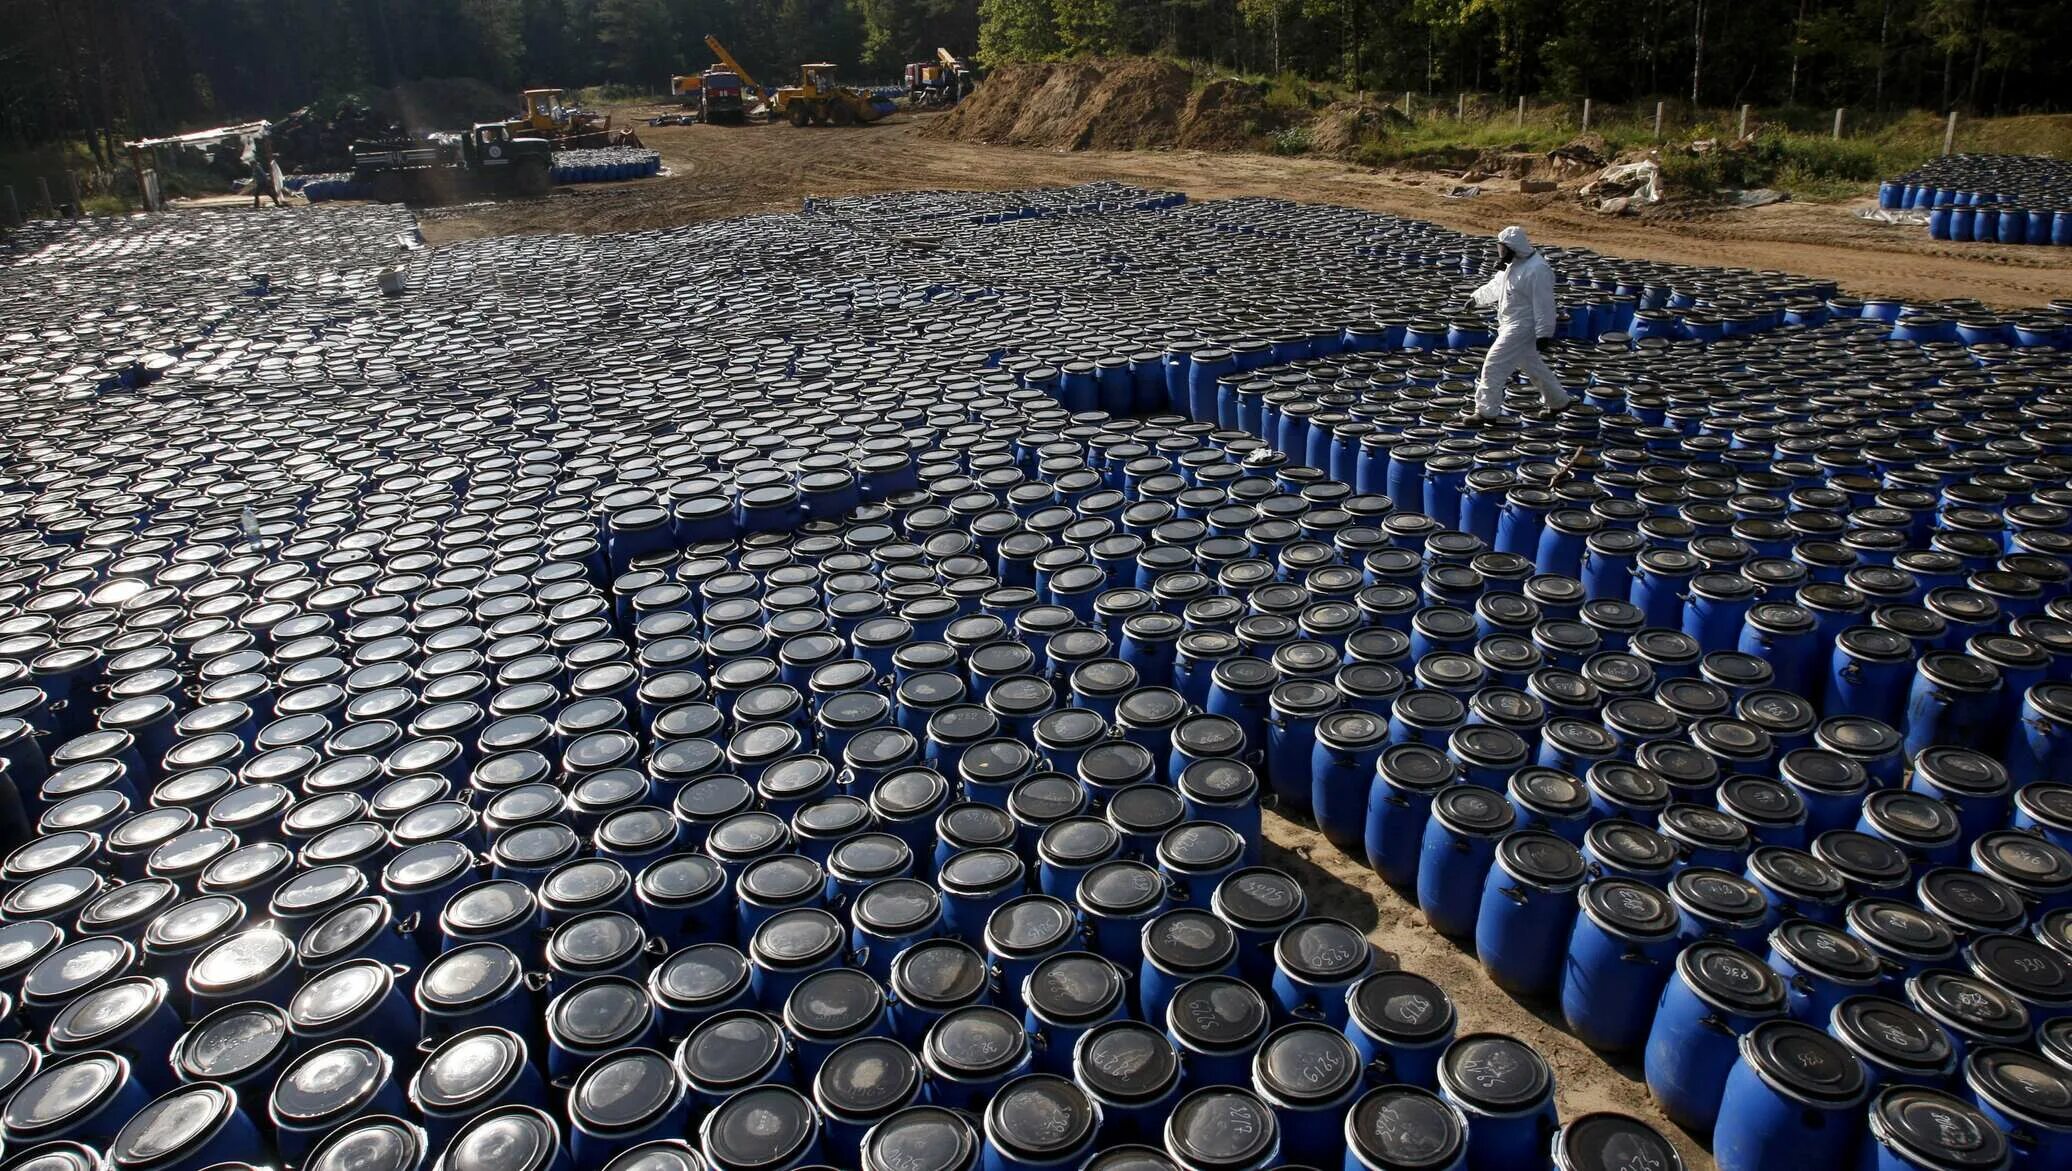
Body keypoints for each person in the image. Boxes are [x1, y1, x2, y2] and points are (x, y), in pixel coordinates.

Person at [1459, 225, 1570, 422]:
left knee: (1493, 365)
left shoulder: (1537, 270)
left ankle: (1486, 412)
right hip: (1509, 323)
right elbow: (1496, 286)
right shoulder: (1513, 264)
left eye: (1503, 249)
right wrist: (1476, 298)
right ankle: (1558, 401)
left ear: (1513, 247)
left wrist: (1544, 333)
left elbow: (1544, 304)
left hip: (1523, 326)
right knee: (1532, 365)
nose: (1500, 253)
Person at [249, 137, 282, 209]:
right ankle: (276, 203)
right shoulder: (256, 168)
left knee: (257, 194)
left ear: (253, 164)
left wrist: (266, 181)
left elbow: (263, 175)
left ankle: (256, 205)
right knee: (269, 194)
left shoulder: (257, 168)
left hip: (262, 183)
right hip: (261, 183)